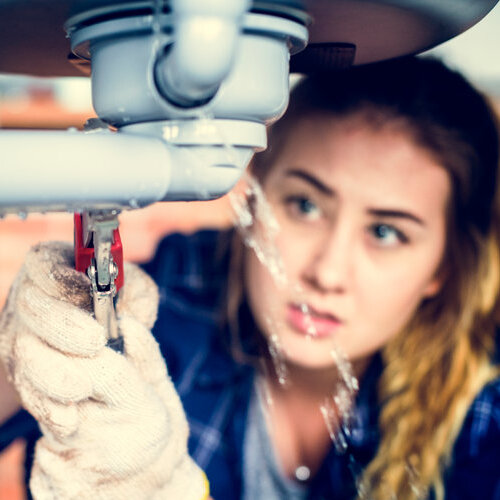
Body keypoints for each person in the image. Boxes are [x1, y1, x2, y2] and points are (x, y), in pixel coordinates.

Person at [0, 55, 499, 500]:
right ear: (254, 197)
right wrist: (21, 352)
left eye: (386, 232)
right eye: (304, 205)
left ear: (443, 267)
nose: (326, 272)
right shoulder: (179, 290)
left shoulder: (481, 418)